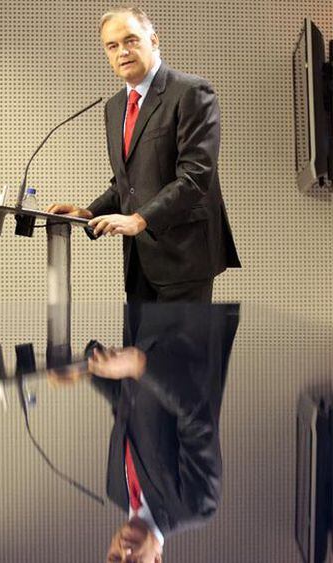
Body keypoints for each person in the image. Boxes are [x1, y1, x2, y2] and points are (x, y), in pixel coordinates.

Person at [47, 5, 241, 302]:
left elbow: (195, 177)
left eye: (131, 40)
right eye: (112, 46)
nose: (122, 51)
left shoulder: (192, 92)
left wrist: (139, 219)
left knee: (178, 351)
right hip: (139, 262)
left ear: (153, 40)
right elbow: (127, 183)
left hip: (184, 257)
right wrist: (88, 213)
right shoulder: (114, 108)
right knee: (137, 349)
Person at [89, 302, 240, 562]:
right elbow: (197, 415)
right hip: (189, 319)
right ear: (157, 560)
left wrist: (85, 370)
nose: (125, 552)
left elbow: (126, 404)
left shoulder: (115, 487)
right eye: (134, 562)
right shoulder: (195, 507)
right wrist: (139, 365)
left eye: (115, 559)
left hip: (143, 316)